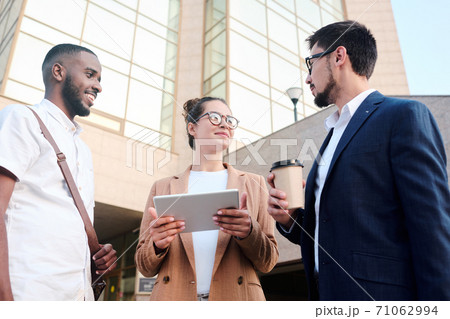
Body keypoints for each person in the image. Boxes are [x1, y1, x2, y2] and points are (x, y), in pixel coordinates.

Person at [267, 21, 450, 301]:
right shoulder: (332, 136)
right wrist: (290, 219)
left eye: (310, 63)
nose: (307, 78)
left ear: (338, 56)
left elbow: (432, 228)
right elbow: (330, 232)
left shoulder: (404, 116)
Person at [0, 44, 117, 301]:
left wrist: (94, 254)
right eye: (90, 74)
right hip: (26, 293)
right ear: (58, 71)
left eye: (99, 79)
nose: (98, 86)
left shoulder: (82, 150)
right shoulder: (22, 118)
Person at [135, 97, 278, 301]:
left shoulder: (254, 184)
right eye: (214, 117)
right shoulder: (163, 187)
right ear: (192, 128)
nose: (224, 123)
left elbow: (268, 261)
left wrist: (249, 232)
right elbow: (144, 267)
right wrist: (157, 244)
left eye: (229, 120)